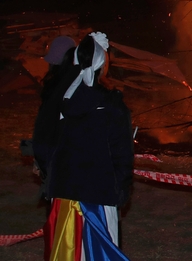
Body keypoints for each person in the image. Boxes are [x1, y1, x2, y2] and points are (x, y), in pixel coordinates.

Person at [45, 32, 134, 261]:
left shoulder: (65, 100)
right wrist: (122, 190)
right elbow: (121, 154)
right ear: (103, 64)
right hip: (98, 196)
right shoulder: (111, 106)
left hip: (65, 193)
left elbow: (53, 145)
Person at [33, 35, 77, 197]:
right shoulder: (79, 82)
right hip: (70, 158)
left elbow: (46, 127)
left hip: (56, 156)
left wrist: (40, 157)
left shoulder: (55, 88)